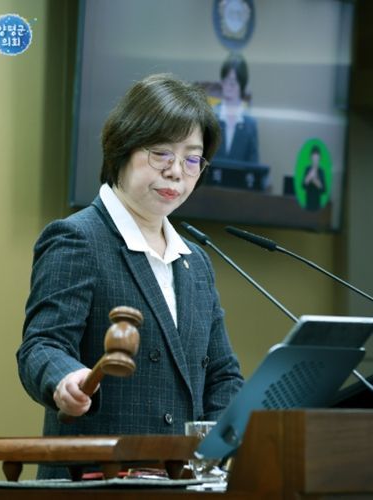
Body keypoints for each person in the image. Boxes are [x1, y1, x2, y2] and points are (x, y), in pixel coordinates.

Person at [17, 74, 244, 479]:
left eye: (192, 159)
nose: (177, 172)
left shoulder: (195, 262)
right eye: (161, 154)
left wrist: (215, 454)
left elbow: (223, 375)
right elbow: (42, 345)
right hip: (95, 481)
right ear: (123, 146)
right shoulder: (78, 238)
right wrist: (65, 378)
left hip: (180, 482)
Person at [213, 52, 259, 164]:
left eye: (233, 82)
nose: (228, 86)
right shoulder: (210, 115)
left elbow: (254, 165)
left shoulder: (250, 124)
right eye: (225, 80)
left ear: (242, 85)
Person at [302, 145, 326, 211]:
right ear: (311, 158)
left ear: (320, 158)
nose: (315, 159)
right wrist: (309, 176)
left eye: (317, 157)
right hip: (308, 205)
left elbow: (323, 190)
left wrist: (315, 180)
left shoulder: (321, 171)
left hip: (317, 206)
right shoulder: (307, 169)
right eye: (314, 157)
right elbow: (303, 185)